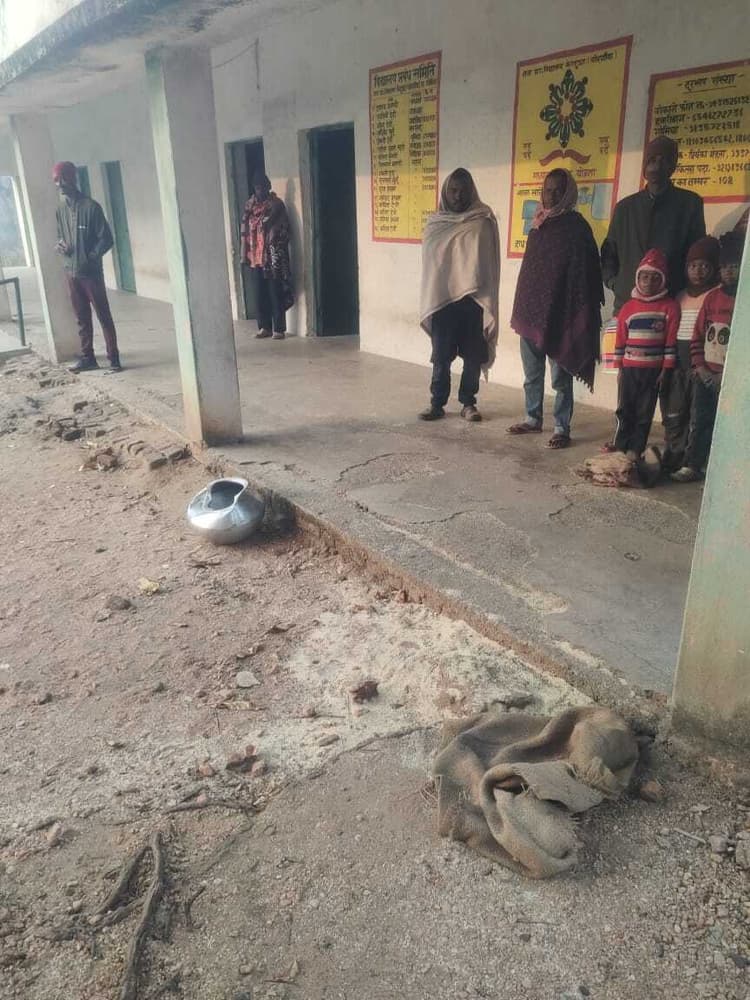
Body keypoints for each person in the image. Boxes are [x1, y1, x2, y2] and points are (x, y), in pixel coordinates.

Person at [508, 168, 603, 448]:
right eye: (547, 190)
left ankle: (562, 427)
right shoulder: (538, 226)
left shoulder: (577, 229)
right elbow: (530, 273)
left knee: (561, 377)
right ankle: (532, 418)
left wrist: (574, 308)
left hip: (561, 314)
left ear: (568, 193)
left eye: (558, 190)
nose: (551, 195)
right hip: (531, 312)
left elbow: (585, 273)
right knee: (532, 374)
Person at [419, 168, 499, 422]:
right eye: (453, 190)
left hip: (473, 300)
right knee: (441, 356)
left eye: (463, 190)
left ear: (471, 191)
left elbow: (488, 263)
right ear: (446, 192)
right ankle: (437, 403)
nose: (458, 196)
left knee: (473, 357)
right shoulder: (435, 224)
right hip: (442, 301)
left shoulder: (482, 220)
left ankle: (468, 403)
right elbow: (432, 265)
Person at [601, 136, 706, 313]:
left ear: (672, 166)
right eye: (651, 160)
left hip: (672, 305)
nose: (656, 166)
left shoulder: (690, 204)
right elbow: (608, 255)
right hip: (627, 304)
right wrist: (616, 283)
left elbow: (696, 254)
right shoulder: (624, 208)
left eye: (663, 160)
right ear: (644, 165)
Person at [671, 231, 744, 482]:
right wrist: (700, 368)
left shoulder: (744, 301)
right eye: (724, 268)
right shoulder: (712, 298)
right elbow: (698, 335)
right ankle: (694, 464)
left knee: (729, 424)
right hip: (705, 375)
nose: (729, 272)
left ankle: (721, 471)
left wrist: (728, 375)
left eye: (734, 267)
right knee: (700, 419)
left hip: (732, 378)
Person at [659, 236, 720, 473]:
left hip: (701, 366)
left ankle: (693, 460)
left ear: (714, 268)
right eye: (693, 266)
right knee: (675, 411)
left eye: (705, 266)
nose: (698, 271)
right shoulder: (680, 296)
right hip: (678, 364)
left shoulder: (715, 295)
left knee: (698, 414)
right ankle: (674, 453)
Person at [53, 161, 121, 373]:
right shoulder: (60, 211)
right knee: (81, 318)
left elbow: (106, 239)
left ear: (73, 178)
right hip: (71, 273)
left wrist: (90, 257)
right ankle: (88, 358)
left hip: (91, 275)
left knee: (103, 316)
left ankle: (114, 359)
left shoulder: (91, 207)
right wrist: (61, 246)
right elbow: (60, 236)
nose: (60, 184)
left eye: (63, 179)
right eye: (56, 180)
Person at [611, 248, 679, 458]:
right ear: (637, 278)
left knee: (644, 412)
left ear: (663, 280)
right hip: (629, 369)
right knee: (624, 410)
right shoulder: (628, 308)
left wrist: (665, 370)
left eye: (655, 278)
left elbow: (670, 342)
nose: (649, 282)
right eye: (645, 277)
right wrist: (619, 368)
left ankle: (635, 449)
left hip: (653, 372)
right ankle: (620, 447)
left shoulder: (669, 307)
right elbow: (620, 340)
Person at [241, 172, 293, 340]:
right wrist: (245, 252)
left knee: (275, 291)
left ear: (268, 187)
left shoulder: (277, 206)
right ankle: (264, 327)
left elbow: (284, 228)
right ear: (254, 188)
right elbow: (245, 229)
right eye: (257, 188)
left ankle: (279, 329)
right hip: (255, 257)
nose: (260, 190)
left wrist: (274, 241)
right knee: (259, 293)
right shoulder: (249, 206)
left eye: (263, 187)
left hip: (272, 256)